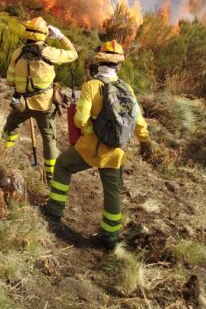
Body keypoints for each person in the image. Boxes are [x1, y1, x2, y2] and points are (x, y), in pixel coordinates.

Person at [41, 40, 152, 249]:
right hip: (114, 152)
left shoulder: (91, 86)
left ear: (98, 63)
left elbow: (80, 120)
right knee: (112, 191)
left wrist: (90, 132)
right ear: (118, 66)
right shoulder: (126, 88)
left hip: (89, 149)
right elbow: (138, 121)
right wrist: (145, 141)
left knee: (63, 165)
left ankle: (54, 211)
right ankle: (109, 238)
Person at [2, 17, 78, 182]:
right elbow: (73, 54)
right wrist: (60, 36)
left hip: (21, 104)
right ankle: (50, 176)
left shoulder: (17, 54)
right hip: (44, 105)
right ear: (44, 35)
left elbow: (10, 81)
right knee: (49, 138)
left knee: (10, 129)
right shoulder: (48, 52)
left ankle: (2, 159)